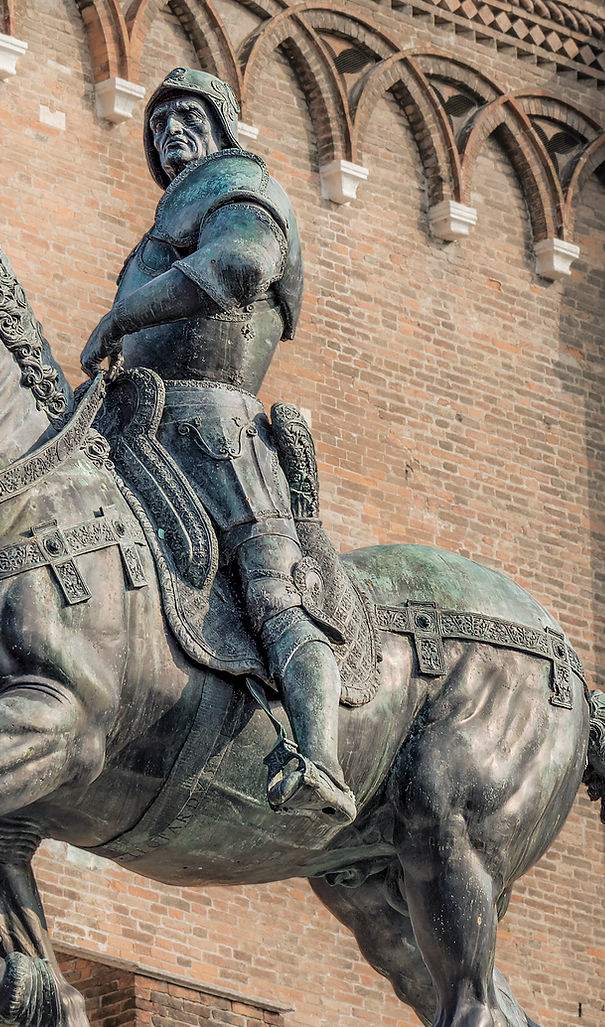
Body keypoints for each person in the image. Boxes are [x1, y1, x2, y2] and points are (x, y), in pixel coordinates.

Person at [81, 67, 356, 825]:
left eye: (187, 115)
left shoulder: (240, 186)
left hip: (217, 425)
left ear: (222, 125)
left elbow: (239, 268)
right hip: (138, 421)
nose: (169, 129)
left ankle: (320, 758)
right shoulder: (172, 213)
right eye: (158, 119)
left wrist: (123, 314)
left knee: (274, 588)